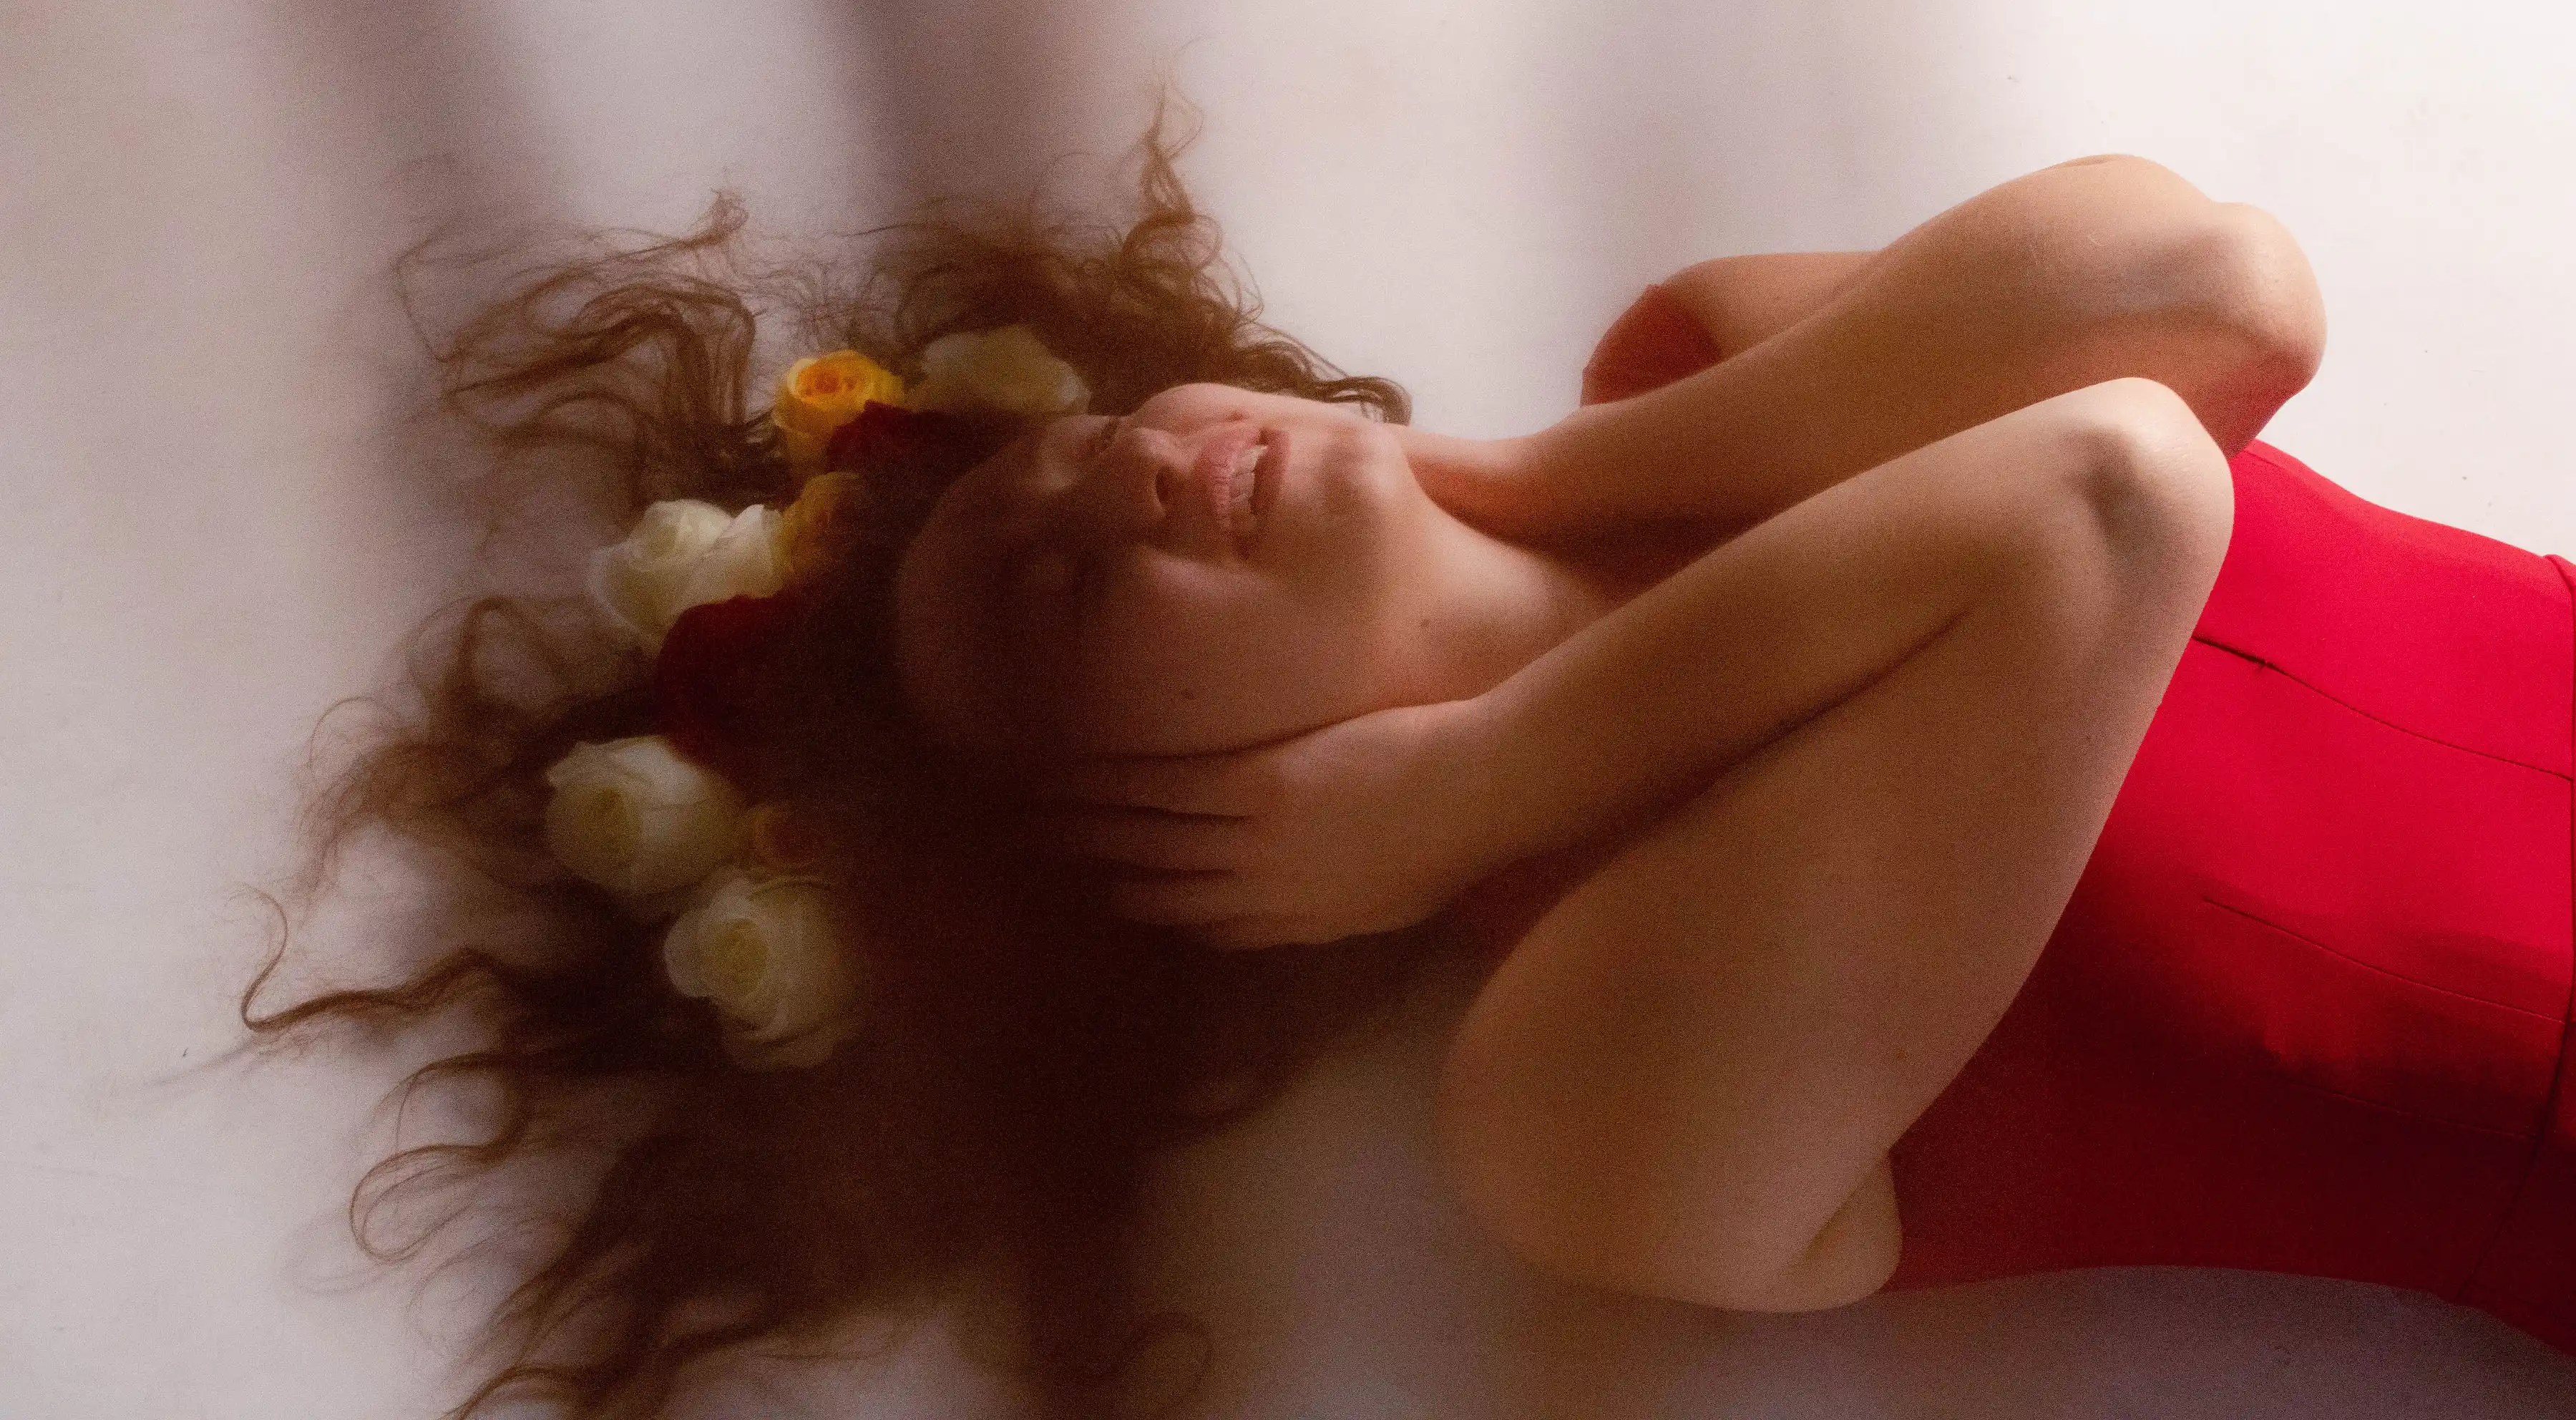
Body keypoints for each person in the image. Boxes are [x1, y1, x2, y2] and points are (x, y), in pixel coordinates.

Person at [248, 105, 2572, 1420]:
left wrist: (1540, 486)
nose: (1126, 479)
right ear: (1138, 856)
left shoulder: (1706, 375)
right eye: (1061, 592)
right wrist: (1492, 779)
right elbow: (2108, 498)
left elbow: (2222, 295)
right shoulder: (1572, 1095)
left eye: (1069, 452)